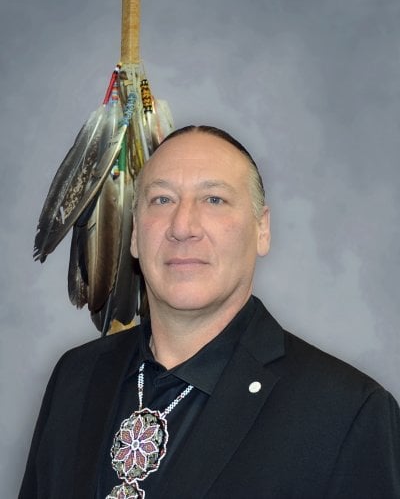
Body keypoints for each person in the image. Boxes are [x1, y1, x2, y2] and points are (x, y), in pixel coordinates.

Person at [20, 125, 400, 498]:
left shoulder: (347, 413)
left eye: (214, 199)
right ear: (135, 234)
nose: (183, 227)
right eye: (162, 200)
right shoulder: (75, 378)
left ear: (262, 229)